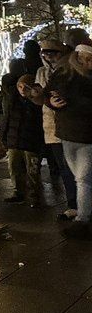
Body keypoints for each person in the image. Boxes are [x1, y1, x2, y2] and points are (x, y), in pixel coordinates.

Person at [33, 42, 92, 238]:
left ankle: (83, 220)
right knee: (80, 177)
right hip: (67, 133)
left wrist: (72, 103)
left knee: (83, 179)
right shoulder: (64, 73)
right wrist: (52, 101)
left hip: (87, 135)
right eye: (84, 58)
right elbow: (48, 94)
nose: (86, 62)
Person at [33, 39, 78, 220]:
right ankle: (73, 204)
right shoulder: (42, 72)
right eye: (44, 52)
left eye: (52, 52)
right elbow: (40, 98)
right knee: (65, 168)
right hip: (52, 127)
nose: (48, 56)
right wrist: (36, 95)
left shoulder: (70, 69)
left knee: (79, 168)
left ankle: (83, 204)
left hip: (73, 126)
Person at [0, 41, 45, 206]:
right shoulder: (12, 99)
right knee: (15, 167)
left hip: (30, 140)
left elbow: (37, 117)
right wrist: (4, 136)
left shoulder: (34, 101)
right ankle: (18, 191)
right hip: (15, 138)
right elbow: (8, 118)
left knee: (32, 169)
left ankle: (34, 195)